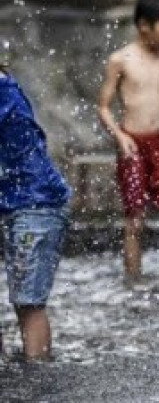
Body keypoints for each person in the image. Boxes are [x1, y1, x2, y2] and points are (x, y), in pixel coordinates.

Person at [97, 0, 159, 288]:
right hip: (133, 147)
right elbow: (102, 107)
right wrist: (119, 136)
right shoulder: (121, 60)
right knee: (135, 220)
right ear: (143, 26)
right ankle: (134, 283)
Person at [0, 63, 71, 361]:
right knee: (25, 301)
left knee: (29, 302)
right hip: (18, 203)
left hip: (36, 204)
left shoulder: (3, 90)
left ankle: (38, 379)